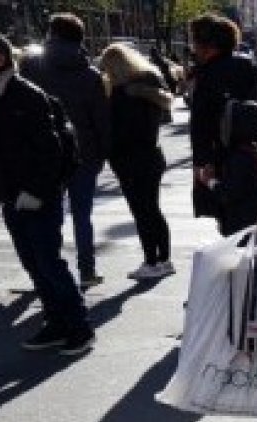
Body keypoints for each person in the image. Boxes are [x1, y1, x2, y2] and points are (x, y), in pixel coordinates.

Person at [0, 28, 94, 355]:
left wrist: (37, 191)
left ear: (0, 57)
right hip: (13, 195)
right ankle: (55, 322)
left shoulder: (26, 95)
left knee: (49, 262)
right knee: (33, 264)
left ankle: (79, 328)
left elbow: (50, 151)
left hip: (39, 196)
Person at [20, 14, 109, 289]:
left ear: (52, 34)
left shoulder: (32, 68)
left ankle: (50, 271)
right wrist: (102, 154)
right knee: (82, 216)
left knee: (48, 216)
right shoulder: (90, 75)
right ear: (80, 38)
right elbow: (101, 120)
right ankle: (87, 270)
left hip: (44, 154)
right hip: (84, 153)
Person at [99, 41, 175, 280]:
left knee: (141, 213)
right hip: (151, 154)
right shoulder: (148, 86)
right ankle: (164, 259)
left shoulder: (120, 94)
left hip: (129, 159)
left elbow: (116, 131)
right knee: (153, 209)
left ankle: (151, 261)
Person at [187, 14, 257, 228]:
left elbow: (200, 123)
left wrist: (201, 161)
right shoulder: (245, 66)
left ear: (208, 45)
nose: (193, 48)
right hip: (249, 148)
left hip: (219, 151)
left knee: (227, 211)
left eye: (195, 41)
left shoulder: (207, 74)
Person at [209, 100, 257, 236]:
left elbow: (228, 193)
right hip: (253, 219)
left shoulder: (240, 158)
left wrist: (210, 182)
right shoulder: (255, 150)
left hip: (242, 224)